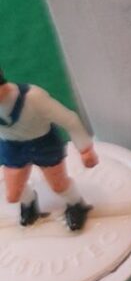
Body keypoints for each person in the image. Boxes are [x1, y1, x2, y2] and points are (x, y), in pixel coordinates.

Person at [0, 67, 98, 232]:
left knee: (58, 184)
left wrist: (85, 149)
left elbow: (70, 120)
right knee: (13, 193)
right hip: (12, 147)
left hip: (43, 143)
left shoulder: (33, 98)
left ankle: (76, 205)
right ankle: (29, 204)